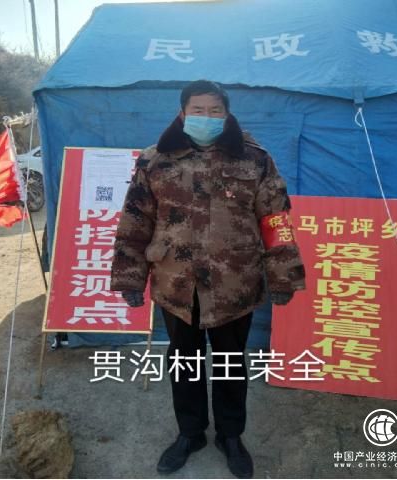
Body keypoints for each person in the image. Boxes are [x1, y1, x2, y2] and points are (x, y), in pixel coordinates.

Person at [110, 80, 306, 479]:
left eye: (215, 110)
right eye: (198, 110)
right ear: (182, 114)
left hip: (235, 282)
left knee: (231, 362)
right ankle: (190, 433)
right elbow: (135, 220)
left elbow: (276, 221)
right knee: (184, 361)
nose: (207, 117)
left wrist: (283, 275)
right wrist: (130, 277)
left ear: (227, 114)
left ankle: (231, 436)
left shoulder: (254, 159)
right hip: (176, 282)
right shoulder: (155, 160)